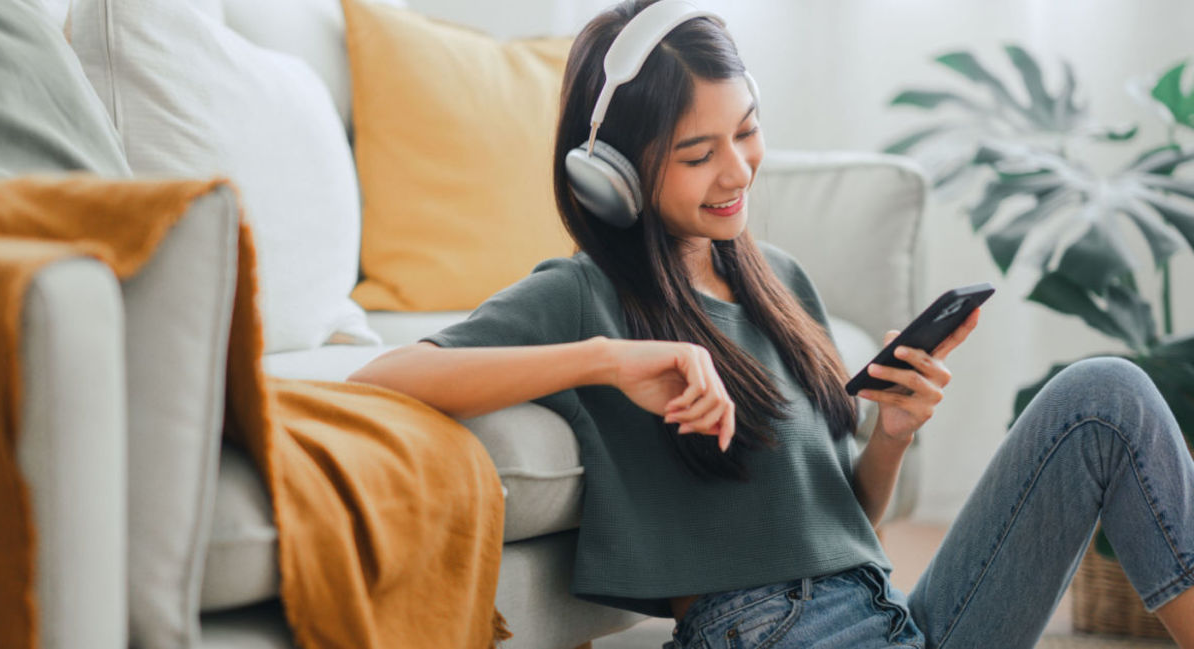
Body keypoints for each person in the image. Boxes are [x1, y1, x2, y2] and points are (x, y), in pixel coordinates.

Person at [347, 1, 1194, 646]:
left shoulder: (779, 280)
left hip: (885, 612)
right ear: (613, 171)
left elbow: (843, 518)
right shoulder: (582, 293)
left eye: (746, 131)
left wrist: (891, 433)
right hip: (764, 628)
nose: (736, 169)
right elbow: (379, 379)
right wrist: (606, 359)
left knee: (1105, 395)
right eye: (696, 153)